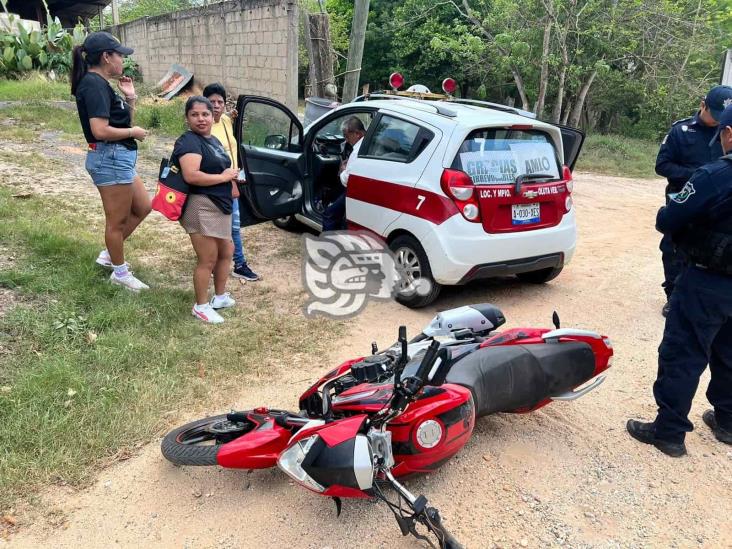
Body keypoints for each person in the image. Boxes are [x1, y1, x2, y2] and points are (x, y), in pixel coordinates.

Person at [627, 103, 732, 457]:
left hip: (706, 281)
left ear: (728, 134)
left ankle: (668, 432)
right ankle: (728, 422)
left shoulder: (714, 176)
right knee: (730, 352)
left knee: (683, 352)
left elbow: (669, 219)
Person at [71, 31, 151, 292]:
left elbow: (120, 120)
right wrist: (133, 133)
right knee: (116, 222)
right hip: (109, 157)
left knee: (143, 206)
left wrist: (130, 97)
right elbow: (100, 130)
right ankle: (120, 272)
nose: (122, 61)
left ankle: (109, 254)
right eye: (120, 56)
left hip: (118, 157)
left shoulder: (102, 83)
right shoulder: (93, 84)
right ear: (106, 57)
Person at [654, 85, 732, 316]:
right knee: (672, 247)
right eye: (714, 114)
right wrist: (698, 178)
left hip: (718, 206)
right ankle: (673, 295)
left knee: (714, 247)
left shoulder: (726, 129)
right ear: (702, 105)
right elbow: (662, 165)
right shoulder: (681, 131)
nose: (717, 123)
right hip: (684, 197)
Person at [175, 96, 239, 324]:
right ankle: (200, 306)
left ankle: (219, 297)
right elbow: (191, 175)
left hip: (219, 205)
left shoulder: (212, 140)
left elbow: (223, 168)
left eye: (205, 114)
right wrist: (223, 177)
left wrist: (230, 182)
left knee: (226, 251)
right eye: (195, 115)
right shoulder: (189, 142)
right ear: (187, 118)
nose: (201, 119)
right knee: (207, 258)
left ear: (213, 116)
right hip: (200, 205)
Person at [202, 83, 260, 281]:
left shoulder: (226, 121)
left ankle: (239, 263)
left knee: (233, 226)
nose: (216, 106)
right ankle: (214, 262)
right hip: (216, 185)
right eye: (212, 102)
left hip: (232, 181)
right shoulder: (204, 128)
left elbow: (230, 117)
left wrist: (235, 113)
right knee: (217, 227)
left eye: (220, 102)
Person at [322, 117, 365, 232]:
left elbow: (346, 180)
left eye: (346, 136)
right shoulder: (367, 144)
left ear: (357, 134)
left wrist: (342, 169)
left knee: (328, 215)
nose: (345, 140)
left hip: (354, 191)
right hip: (364, 189)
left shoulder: (357, 151)